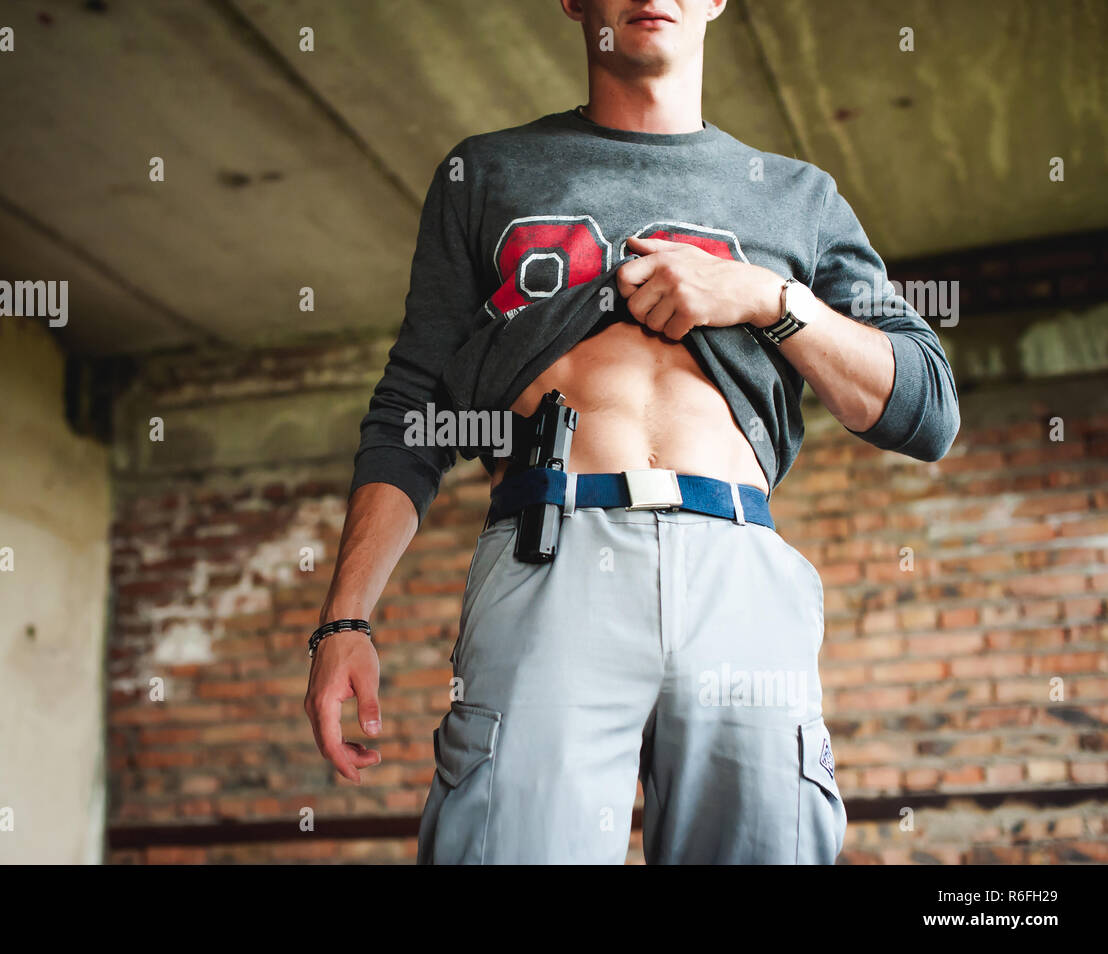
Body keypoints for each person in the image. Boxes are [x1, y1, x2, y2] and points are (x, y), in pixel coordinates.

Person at [304, 0, 959, 864]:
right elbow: (414, 412)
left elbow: (927, 406)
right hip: (549, 557)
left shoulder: (799, 196)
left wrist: (770, 300)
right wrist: (344, 619)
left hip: (739, 568)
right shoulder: (487, 171)